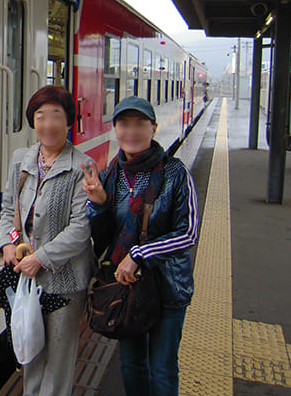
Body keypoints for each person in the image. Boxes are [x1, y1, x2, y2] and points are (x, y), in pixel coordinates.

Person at [81, 96, 199, 395]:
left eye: (139, 124)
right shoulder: (110, 175)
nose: (131, 131)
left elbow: (188, 233)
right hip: (126, 288)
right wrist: (96, 204)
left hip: (167, 287)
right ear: (115, 129)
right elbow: (102, 237)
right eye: (124, 124)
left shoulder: (175, 173)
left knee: (162, 370)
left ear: (154, 128)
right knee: (131, 365)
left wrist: (139, 254)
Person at [0, 85, 96, 396]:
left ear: (69, 122)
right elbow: (9, 208)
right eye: (40, 116)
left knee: (59, 358)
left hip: (64, 280)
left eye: (56, 116)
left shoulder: (83, 165)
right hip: (28, 278)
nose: (48, 124)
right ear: (32, 121)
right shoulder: (21, 160)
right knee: (30, 348)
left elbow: (81, 227)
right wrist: (9, 243)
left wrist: (41, 258)